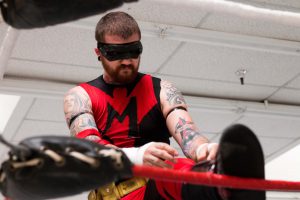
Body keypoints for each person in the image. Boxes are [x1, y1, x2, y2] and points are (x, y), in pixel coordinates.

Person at [63, 11, 265, 200]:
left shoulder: (162, 90)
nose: (126, 61)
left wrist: (205, 149)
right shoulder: (80, 96)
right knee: (169, 173)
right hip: (118, 194)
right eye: (115, 53)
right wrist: (138, 156)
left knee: (177, 168)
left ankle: (222, 184)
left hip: (163, 189)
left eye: (133, 51)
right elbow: (88, 153)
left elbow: (186, 132)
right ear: (99, 52)